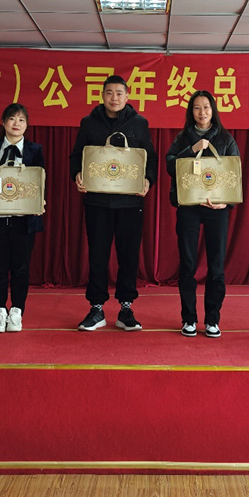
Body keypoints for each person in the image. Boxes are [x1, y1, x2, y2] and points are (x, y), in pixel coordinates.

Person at [69, 75, 157, 331]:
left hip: (130, 202)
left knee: (128, 256)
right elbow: (77, 156)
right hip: (97, 201)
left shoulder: (139, 123)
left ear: (127, 96)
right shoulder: (89, 123)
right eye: (109, 93)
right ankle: (96, 309)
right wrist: (77, 174)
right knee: (97, 255)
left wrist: (148, 180)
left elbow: (150, 158)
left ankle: (126, 309)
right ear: (102, 96)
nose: (114, 98)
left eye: (119, 93)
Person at [165, 90, 240, 338]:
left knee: (216, 265)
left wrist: (225, 202)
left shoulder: (226, 138)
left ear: (213, 110)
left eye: (206, 107)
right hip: (189, 207)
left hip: (217, 209)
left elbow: (235, 174)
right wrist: (191, 149)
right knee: (188, 264)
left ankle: (212, 320)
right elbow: (170, 165)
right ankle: (188, 319)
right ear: (191, 112)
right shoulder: (182, 137)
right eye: (197, 108)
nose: (202, 112)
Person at [0, 103, 44, 333]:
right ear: (3, 123)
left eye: (21, 120)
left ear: (27, 125)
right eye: (12, 118)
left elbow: (40, 181)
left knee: (21, 268)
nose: (16, 123)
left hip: (23, 219)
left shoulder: (35, 150)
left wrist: (40, 202)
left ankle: (17, 312)